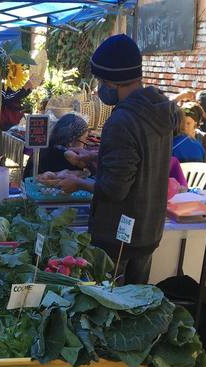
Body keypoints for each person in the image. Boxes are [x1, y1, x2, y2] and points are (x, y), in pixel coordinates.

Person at [54, 34, 175, 285]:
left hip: (118, 239)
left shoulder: (122, 120)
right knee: (135, 308)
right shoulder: (159, 109)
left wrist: (76, 183)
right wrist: (94, 156)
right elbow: (140, 157)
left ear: (113, 81)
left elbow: (115, 189)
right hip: (148, 229)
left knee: (109, 312)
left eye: (100, 80)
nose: (99, 88)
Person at [22, 113, 94, 179]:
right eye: (84, 141)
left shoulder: (44, 149)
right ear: (71, 142)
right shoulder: (69, 158)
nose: (84, 147)